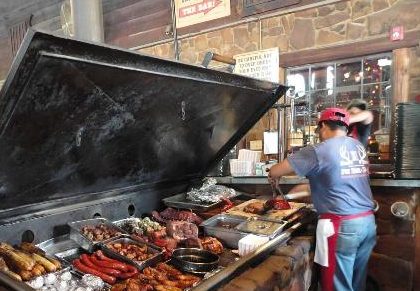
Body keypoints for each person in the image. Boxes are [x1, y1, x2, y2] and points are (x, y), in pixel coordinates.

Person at [269, 108, 376, 291]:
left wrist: (275, 175)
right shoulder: (356, 146)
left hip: (342, 227)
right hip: (367, 223)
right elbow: (336, 179)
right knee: (357, 284)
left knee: (336, 286)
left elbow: (275, 171)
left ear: (324, 126)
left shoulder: (317, 150)